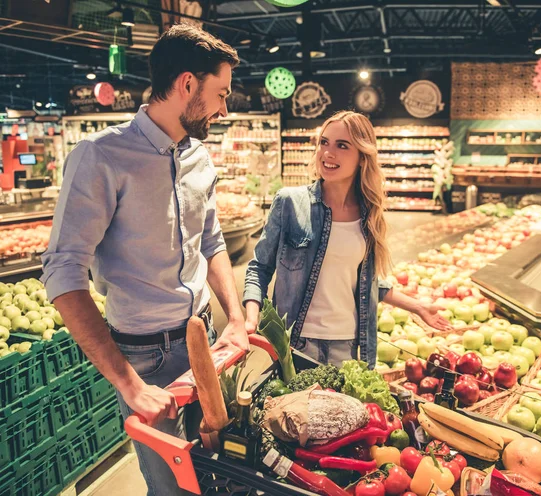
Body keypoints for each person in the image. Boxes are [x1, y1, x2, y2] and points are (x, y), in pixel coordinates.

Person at [42, 24, 249, 496]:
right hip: (143, 355)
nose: (223, 108)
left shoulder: (200, 158)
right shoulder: (101, 157)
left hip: (206, 341)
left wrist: (235, 317)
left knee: (222, 471)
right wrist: (130, 384)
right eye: (220, 93)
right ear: (187, 85)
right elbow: (62, 273)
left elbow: (211, 241)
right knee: (172, 487)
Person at [243, 111, 450, 368]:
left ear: (363, 158)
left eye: (342, 146)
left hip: (348, 344)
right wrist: (251, 320)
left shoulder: (369, 215)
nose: (328, 153)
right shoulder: (290, 203)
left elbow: (367, 281)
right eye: (324, 142)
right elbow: (259, 268)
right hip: (295, 343)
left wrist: (418, 307)